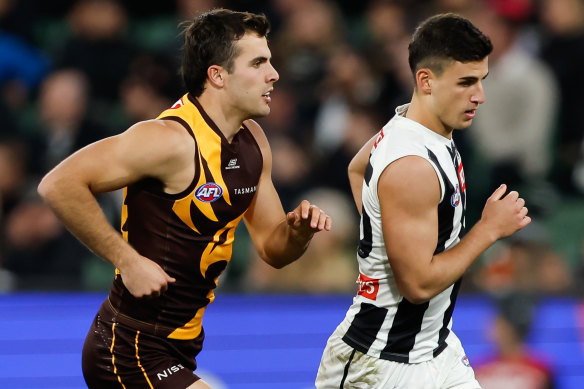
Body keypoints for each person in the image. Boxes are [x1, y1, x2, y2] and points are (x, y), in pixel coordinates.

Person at [38, 9, 331, 389]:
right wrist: (126, 259)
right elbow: (58, 184)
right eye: (258, 63)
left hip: (181, 346)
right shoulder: (169, 139)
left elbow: (273, 251)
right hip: (128, 346)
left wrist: (299, 231)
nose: (273, 74)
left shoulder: (254, 140)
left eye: (270, 62)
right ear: (217, 75)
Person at [315, 13, 531, 388]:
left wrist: (382, 233)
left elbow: (357, 169)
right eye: (465, 83)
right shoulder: (412, 166)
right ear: (426, 81)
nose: (479, 95)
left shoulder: (417, 129)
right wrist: (488, 229)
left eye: (482, 80)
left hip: (436, 347)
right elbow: (416, 286)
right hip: (382, 361)